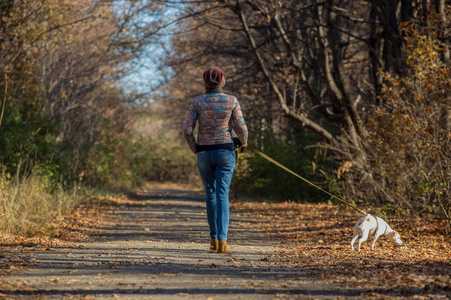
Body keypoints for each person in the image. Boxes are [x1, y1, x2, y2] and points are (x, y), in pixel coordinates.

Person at [182, 66, 248, 253]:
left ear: (204, 82)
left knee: (210, 194)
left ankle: (213, 240)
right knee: (222, 194)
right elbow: (241, 127)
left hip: (204, 153)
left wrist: (195, 147)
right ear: (222, 81)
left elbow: (187, 129)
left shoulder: (197, 102)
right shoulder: (231, 101)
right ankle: (223, 241)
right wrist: (243, 142)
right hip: (225, 153)